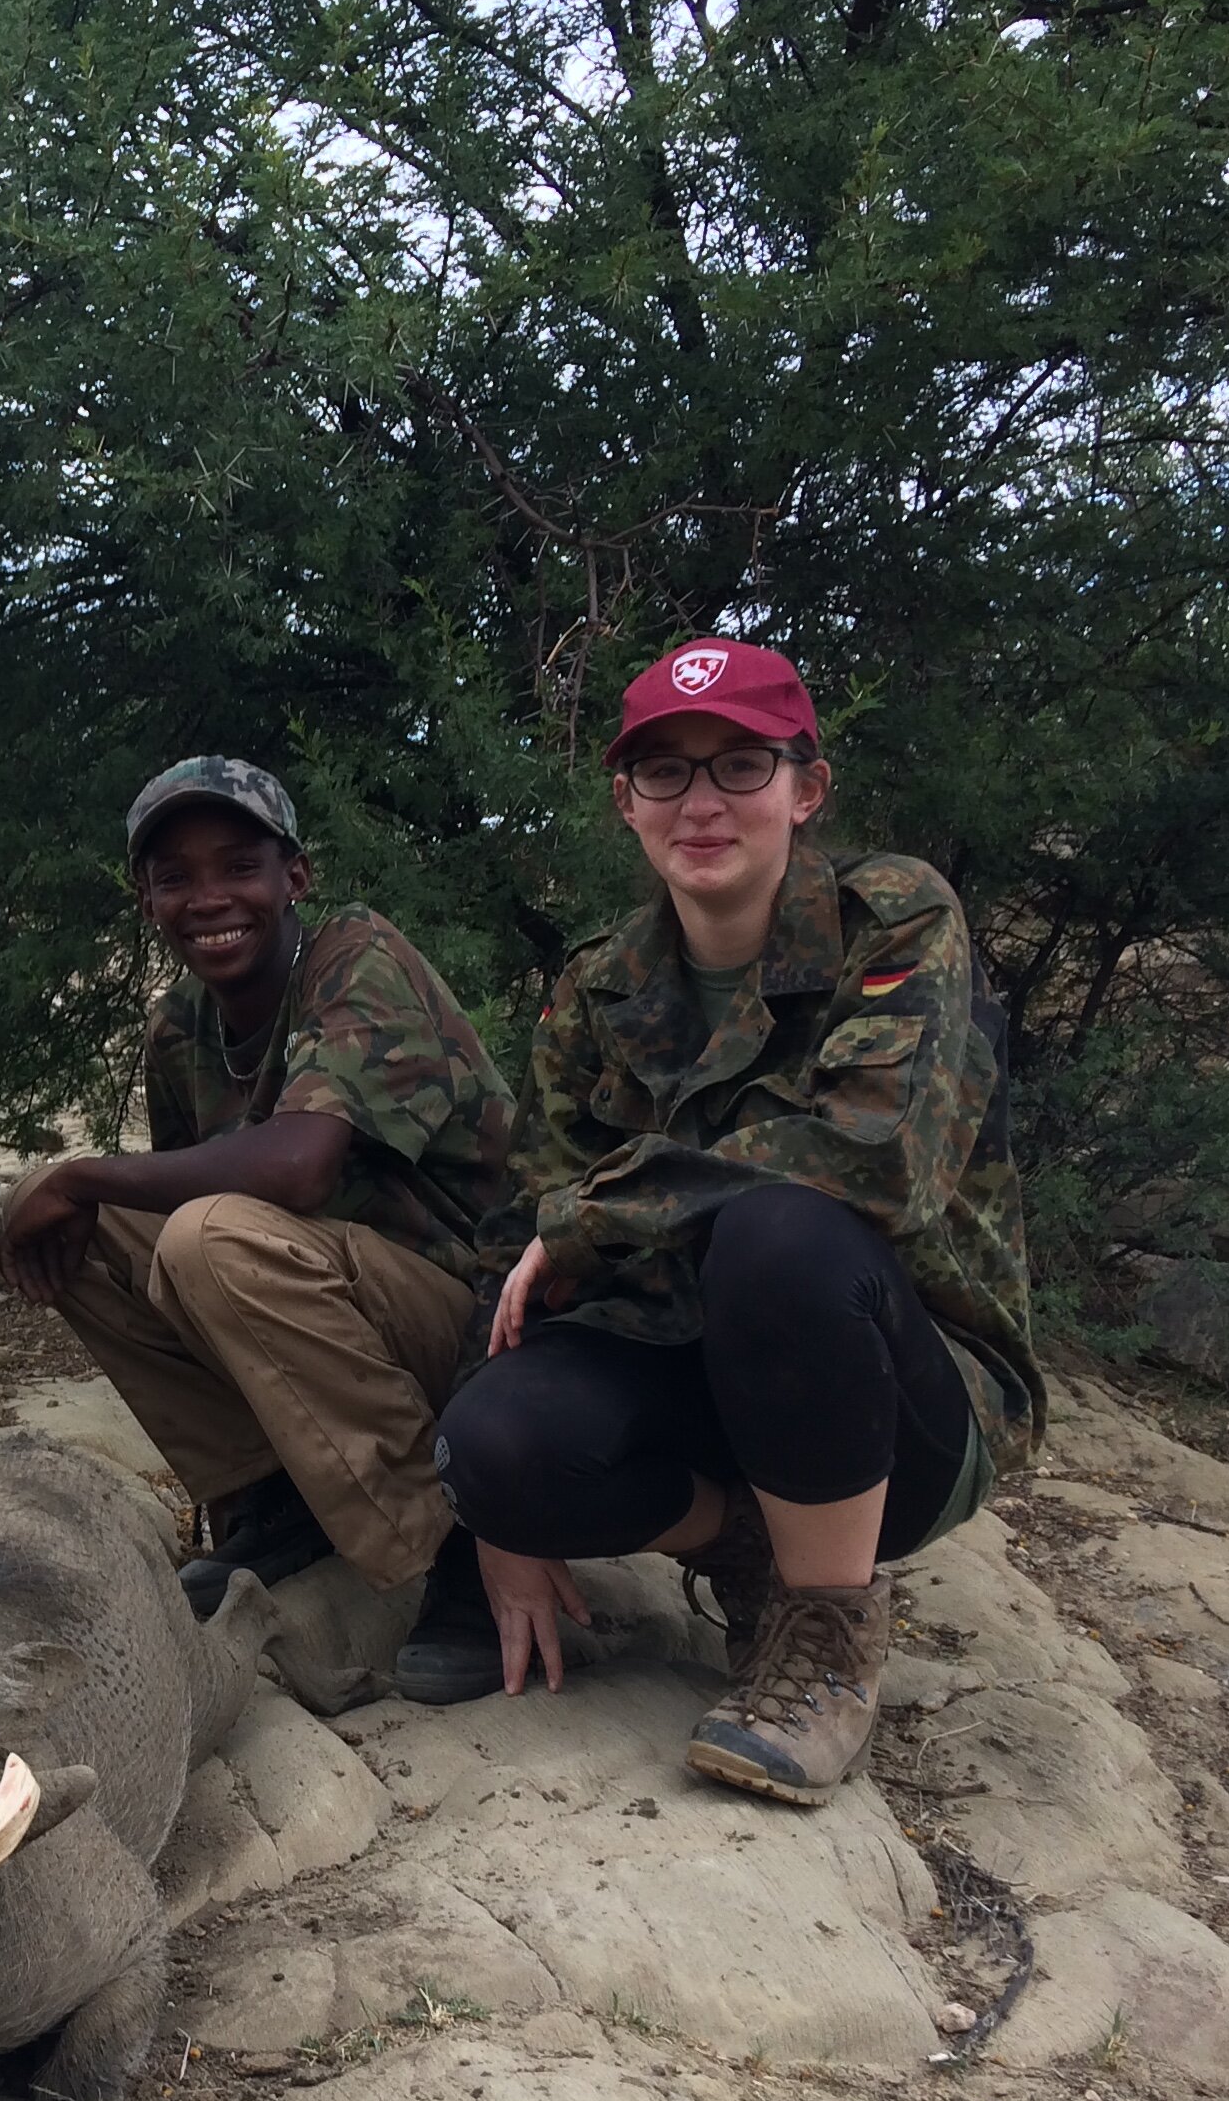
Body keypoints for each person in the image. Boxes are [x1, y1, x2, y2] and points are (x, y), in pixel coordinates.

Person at [426, 637, 1042, 1805]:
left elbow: (872, 1164)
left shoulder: (897, 921)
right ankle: (746, 1547)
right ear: (627, 803)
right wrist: (486, 1519)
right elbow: (522, 1235)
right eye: (666, 773)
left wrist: (606, 1214)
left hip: (904, 1398)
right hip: (699, 1373)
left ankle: (825, 1635)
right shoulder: (599, 986)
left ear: (805, 790)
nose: (701, 803)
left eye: (739, 767)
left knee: (781, 1235)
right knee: (497, 1447)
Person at [0, 757, 519, 1692]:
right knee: (95, 1225)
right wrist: (72, 1192)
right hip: (333, 1317)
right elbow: (164, 1204)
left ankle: (460, 1545)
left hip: (482, 1332)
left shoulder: (358, 957)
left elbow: (298, 1163)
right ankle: (278, 1496)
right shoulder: (178, 1028)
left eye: (239, 866)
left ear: (296, 879)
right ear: (146, 899)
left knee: (207, 1235)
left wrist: (78, 1173)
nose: (208, 898)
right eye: (174, 878)